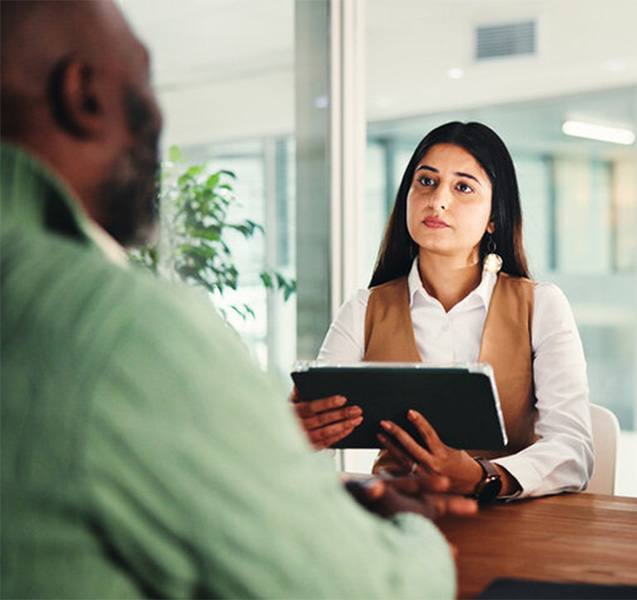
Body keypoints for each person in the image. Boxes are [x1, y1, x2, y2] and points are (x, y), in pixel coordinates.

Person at [0, 2, 472, 597]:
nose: (440, 202)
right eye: (144, 76)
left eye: (463, 188)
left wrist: (313, 503)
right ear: (85, 95)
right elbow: (370, 589)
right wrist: (412, 524)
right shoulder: (123, 330)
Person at [295, 122, 595, 501]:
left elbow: (573, 449)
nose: (438, 200)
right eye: (426, 182)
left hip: (511, 522)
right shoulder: (363, 309)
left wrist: (482, 477)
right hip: (397, 519)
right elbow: (312, 424)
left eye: (463, 187)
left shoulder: (542, 306)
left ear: (494, 218)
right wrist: (296, 433)